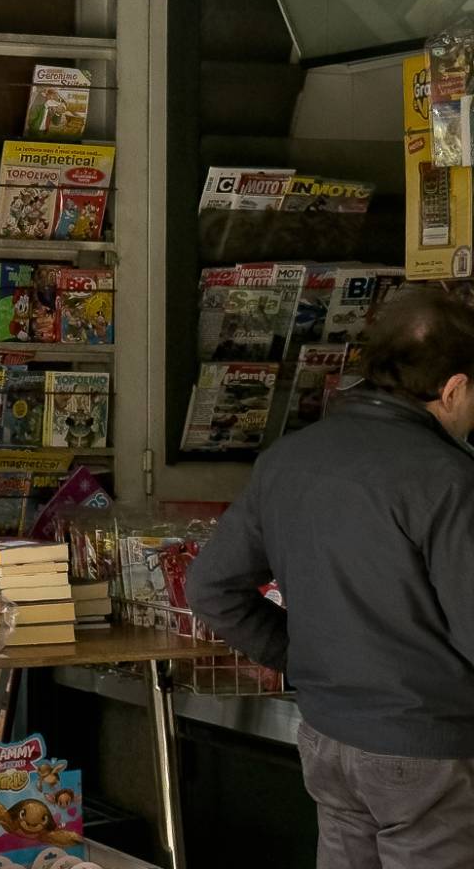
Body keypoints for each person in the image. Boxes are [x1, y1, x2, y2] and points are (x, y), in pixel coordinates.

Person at [190, 287, 474, 868]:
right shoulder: (448, 479)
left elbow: (209, 589)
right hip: (430, 752)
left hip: (326, 739)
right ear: (454, 389)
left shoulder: (290, 458)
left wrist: (301, 658)